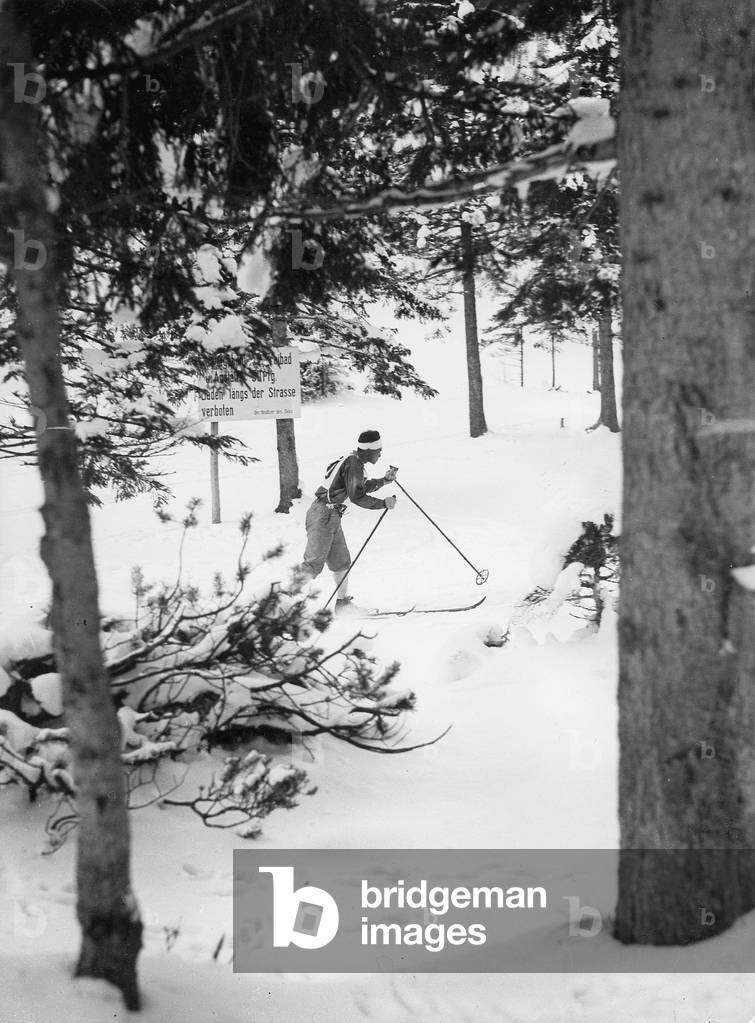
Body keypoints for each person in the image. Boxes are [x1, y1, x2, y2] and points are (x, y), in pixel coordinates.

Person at [301, 429, 398, 610]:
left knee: (341, 561)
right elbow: (357, 496)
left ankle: (343, 604)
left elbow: (358, 486)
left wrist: (384, 480)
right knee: (312, 565)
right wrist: (383, 503)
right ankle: (279, 602)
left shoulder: (352, 459)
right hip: (323, 515)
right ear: (369, 449)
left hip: (331, 515)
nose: (380, 454)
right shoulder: (354, 463)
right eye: (378, 450)